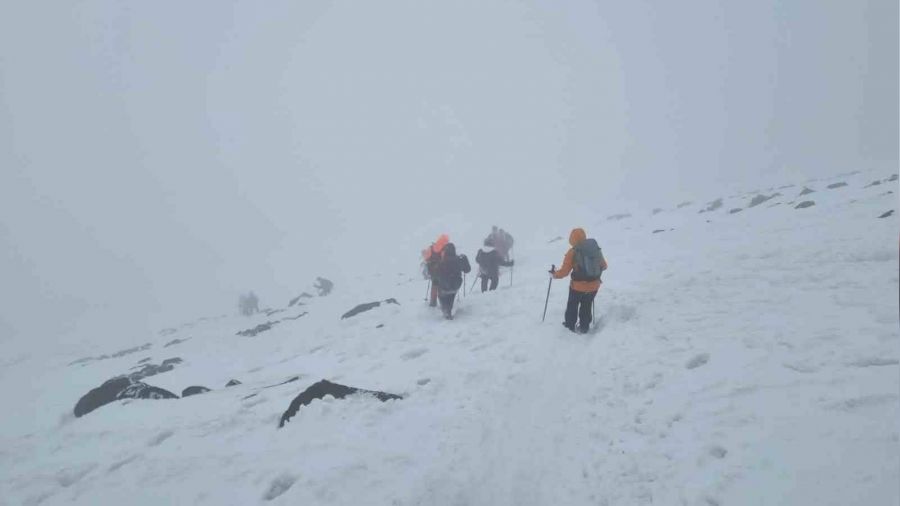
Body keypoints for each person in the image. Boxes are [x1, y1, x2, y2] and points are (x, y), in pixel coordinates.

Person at [550, 228, 607, 333]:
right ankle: (584, 327)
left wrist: (554, 275)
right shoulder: (595, 249)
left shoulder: (572, 252)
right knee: (587, 305)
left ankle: (570, 326)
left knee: (572, 305)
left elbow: (564, 272)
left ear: (572, 239)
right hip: (594, 286)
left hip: (577, 287)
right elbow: (604, 266)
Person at [434, 242, 470, 319]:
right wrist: (464, 259)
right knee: (451, 295)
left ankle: (446, 311)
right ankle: (448, 311)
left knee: (442, 295)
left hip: (444, 286)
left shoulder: (441, 262)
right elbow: (467, 270)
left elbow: (435, 276)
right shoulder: (459, 260)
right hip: (455, 285)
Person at [422, 234, 449, 307]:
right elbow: (445, 260)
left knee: (434, 286)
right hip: (441, 271)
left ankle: (433, 303)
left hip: (433, 271)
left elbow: (426, 258)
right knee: (441, 287)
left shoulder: (431, 248)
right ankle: (442, 303)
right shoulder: (445, 249)